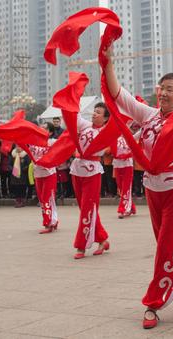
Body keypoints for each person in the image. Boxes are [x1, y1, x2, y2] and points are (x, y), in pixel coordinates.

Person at [104, 68, 173, 329]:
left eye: (170, 89)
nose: (162, 93)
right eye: (161, 88)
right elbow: (120, 96)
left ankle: (153, 303)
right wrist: (107, 62)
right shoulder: (150, 115)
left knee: (167, 246)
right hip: (153, 188)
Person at [69, 102, 112, 259]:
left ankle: (81, 246)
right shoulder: (85, 125)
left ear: (106, 118)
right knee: (86, 209)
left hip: (92, 172)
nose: (94, 114)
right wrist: (74, 98)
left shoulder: (106, 132)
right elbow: (73, 115)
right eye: (94, 111)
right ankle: (102, 239)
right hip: (77, 169)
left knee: (88, 208)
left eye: (99, 112)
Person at [27, 128, 59, 233]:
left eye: (45, 129)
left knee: (48, 198)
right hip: (38, 174)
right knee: (42, 199)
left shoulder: (52, 142)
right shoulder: (32, 143)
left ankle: (48, 223)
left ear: (50, 132)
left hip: (49, 173)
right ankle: (53, 220)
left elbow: (61, 149)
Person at [113, 133, 136, 218]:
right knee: (121, 187)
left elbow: (134, 148)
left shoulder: (129, 137)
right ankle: (131, 207)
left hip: (127, 164)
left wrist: (126, 154)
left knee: (126, 187)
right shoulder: (113, 138)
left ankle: (124, 209)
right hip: (117, 164)